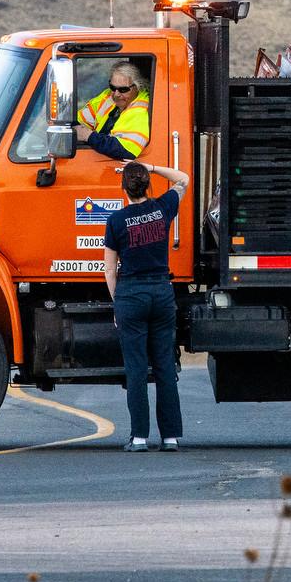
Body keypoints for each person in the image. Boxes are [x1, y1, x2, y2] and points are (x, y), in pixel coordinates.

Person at [103, 157, 190, 451]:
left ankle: (139, 437)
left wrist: (119, 304)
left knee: (137, 369)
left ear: (123, 188)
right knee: (165, 366)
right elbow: (183, 179)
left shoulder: (115, 221)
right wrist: (150, 167)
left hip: (131, 295)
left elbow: (110, 270)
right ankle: (170, 437)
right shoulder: (162, 208)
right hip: (162, 293)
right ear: (149, 185)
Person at [77, 62, 151, 160]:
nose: (116, 94)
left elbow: (126, 151)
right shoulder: (109, 96)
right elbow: (78, 122)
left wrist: (88, 136)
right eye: (112, 87)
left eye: (123, 89)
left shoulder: (141, 110)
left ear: (137, 87)